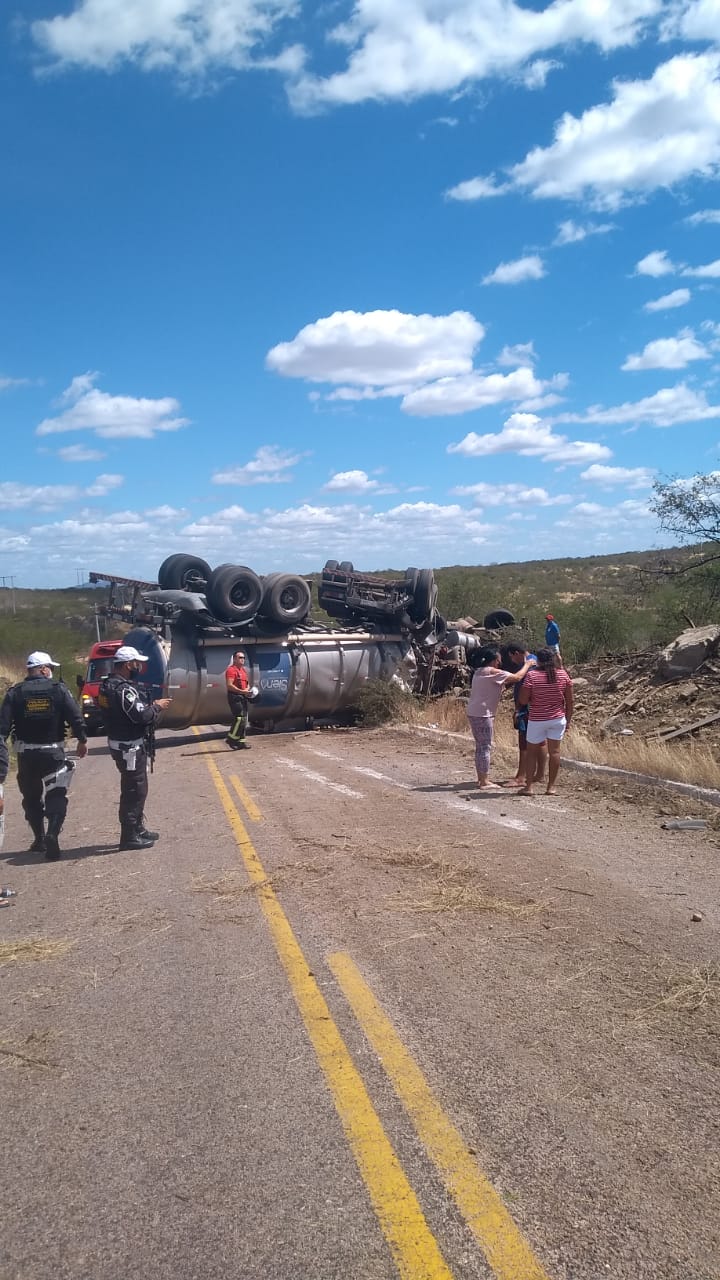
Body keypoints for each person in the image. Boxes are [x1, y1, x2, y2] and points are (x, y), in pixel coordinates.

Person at [0, 651, 88, 859]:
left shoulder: (15, 693)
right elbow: (75, 716)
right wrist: (82, 740)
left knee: (31, 798)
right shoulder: (59, 690)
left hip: (26, 755)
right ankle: (52, 833)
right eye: (51, 668)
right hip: (53, 753)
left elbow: (2, 728)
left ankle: (39, 838)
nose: (52, 672)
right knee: (56, 794)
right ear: (43, 668)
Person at [98, 645, 171, 851]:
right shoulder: (124, 690)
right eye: (137, 663)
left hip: (120, 743)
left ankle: (137, 828)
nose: (139, 666)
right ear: (128, 664)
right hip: (129, 747)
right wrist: (157, 706)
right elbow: (141, 716)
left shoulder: (107, 686)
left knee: (137, 787)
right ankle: (129, 835)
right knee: (134, 790)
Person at [466, 645, 536, 789]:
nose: (500, 663)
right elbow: (517, 677)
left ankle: (481, 778)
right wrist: (528, 664)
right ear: (492, 660)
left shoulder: (479, 671)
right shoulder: (492, 671)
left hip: (474, 712)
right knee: (485, 747)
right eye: (498, 660)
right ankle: (484, 781)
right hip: (483, 714)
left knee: (480, 747)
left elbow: (500, 685)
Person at [516, 647, 574, 797]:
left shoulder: (532, 676)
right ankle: (551, 787)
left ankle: (528, 787)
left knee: (532, 753)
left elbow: (523, 699)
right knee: (554, 752)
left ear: (538, 661)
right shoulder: (563, 675)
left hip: (537, 719)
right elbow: (570, 700)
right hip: (557, 718)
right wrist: (568, 720)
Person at [500, 643, 546, 789]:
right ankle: (539, 774)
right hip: (539, 708)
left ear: (516, 653)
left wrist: (519, 708)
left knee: (524, 743)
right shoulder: (537, 661)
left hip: (527, 709)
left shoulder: (528, 666)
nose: (512, 661)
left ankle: (521, 776)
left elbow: (523, 686)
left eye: (511, 657)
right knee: (540, 741)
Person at [225, 649, 252, 750]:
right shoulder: (231, 670)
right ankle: (231, 739)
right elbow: (229, 685)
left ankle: (241, 742)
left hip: (243, 697)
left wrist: (248, 690)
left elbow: (247, 683)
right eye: (240, 657)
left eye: (243, 658)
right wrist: (242, 691)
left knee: (244, 720)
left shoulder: (243, 670)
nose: (243, 659)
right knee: (239, 719)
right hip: (235, 697)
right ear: (235, 659)